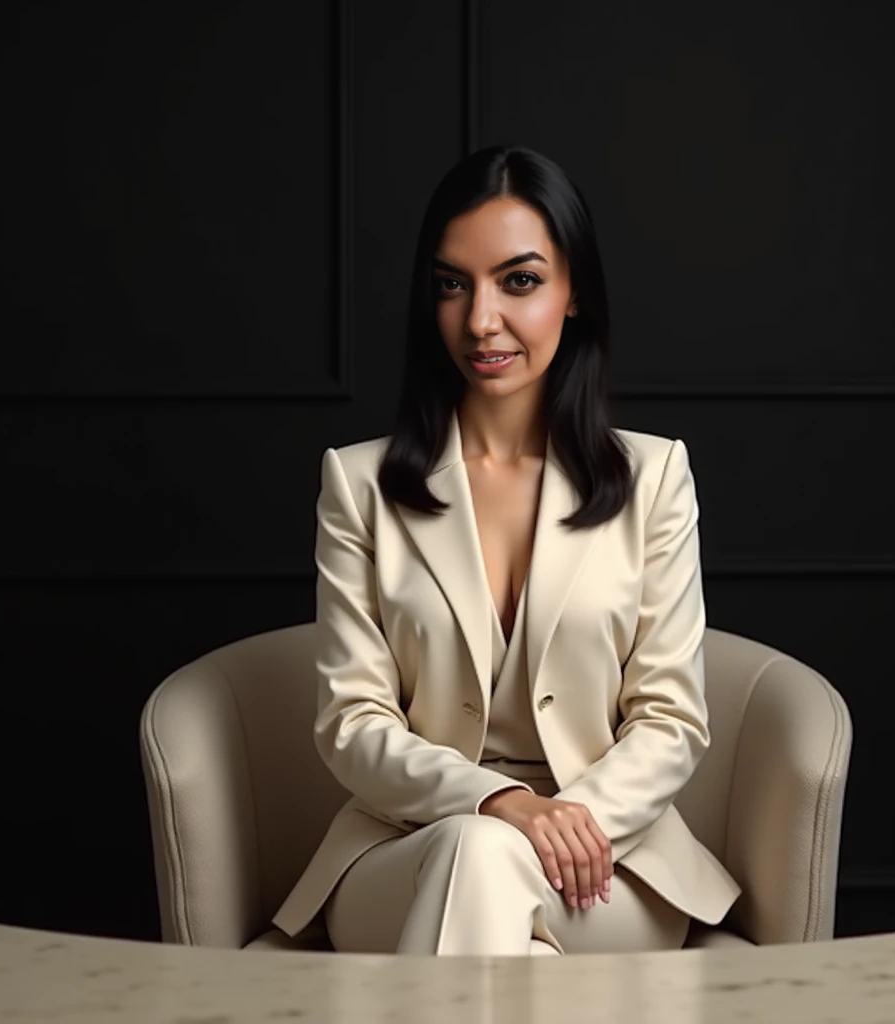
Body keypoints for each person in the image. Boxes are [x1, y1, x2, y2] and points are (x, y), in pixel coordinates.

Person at [271, 144, 741, 955]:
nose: (480, 319)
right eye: (453, 284)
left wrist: (568, 824)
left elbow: (671, 719)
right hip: (412, 849)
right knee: (475, 851)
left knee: (487, 875)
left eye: (518, 281)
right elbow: (353, 723)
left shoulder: (656, 477)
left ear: (575, 294)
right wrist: (500, 804)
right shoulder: (358, 484)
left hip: (610, 862)